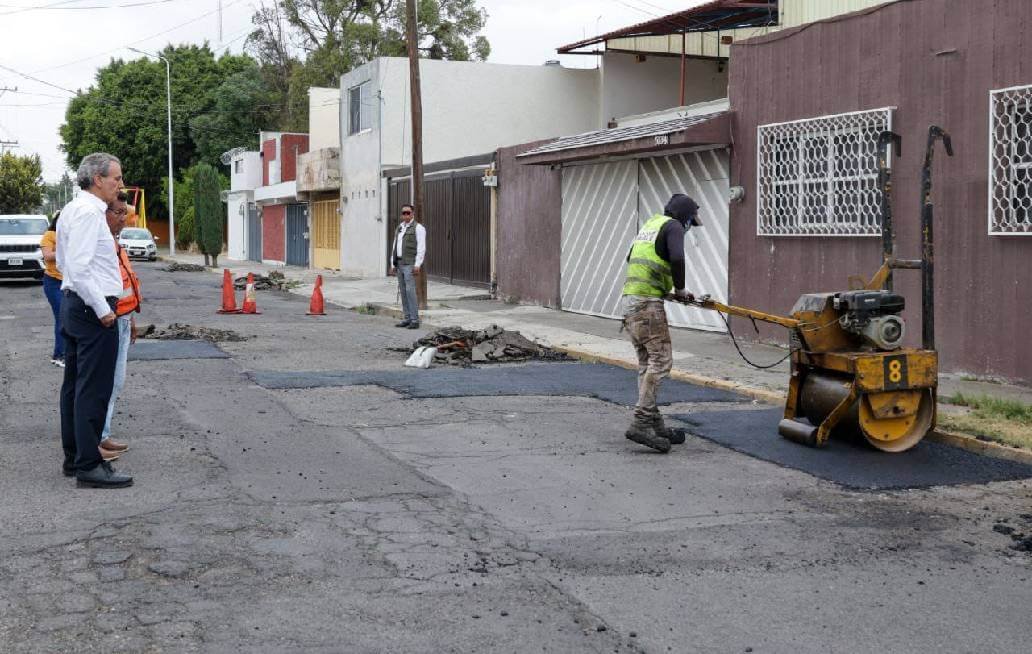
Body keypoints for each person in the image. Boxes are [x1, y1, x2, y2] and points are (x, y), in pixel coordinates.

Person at [57, 152, 133, 488]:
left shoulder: (72, 210)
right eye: (115, 178)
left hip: (75, 303)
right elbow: (79, 266)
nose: (120, 184)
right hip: (93, 309)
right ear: (97, 178)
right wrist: (104, 310)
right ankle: (90, 465)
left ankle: (75, 458)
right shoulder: (89, 213)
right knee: (94, 389)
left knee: (74, 386)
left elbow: (63, 262)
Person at [621, 193, 703, 454]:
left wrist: (666, 291)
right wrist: (679, 289)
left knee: (647, 362)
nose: (690, 228)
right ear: (684, 216)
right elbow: (677, 258)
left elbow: (632, 262)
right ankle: (642, 421)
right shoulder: (674, 226)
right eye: (691, 222)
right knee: (661, 361)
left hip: (631, 302)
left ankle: (654, 422)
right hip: (647, 306)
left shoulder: (650, 226)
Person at [99, 192, 141, 459]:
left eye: (125, 213)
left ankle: (102, 434)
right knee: (106, 382)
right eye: (118, 213)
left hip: (123, 318)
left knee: (115, 382)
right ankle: (97, 438)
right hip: (109, 321)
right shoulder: (101, 243)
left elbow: (123, 284)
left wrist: (131, 316)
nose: (123, 219)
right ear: (103, 214)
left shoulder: (114, 242)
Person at [388, 203, 426, 330]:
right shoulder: (399, 228)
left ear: (413, 213)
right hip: (399, 263)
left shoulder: (418, 228)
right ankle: (407, 318)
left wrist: (417, 264)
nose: (405, 215)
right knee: (403, 292)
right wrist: (392, 263)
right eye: (403, 213)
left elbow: (421, 247)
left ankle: (415, 320)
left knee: (410, 292)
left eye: (408, 213)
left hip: (410, 264)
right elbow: (395, 245)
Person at [39, 211, 65, 368]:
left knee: (67, 318)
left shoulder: (70, 236)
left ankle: (60, 354)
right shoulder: (50, 235)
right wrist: (67, 251)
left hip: (68, 282)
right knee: (62, 318)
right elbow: (47, 256)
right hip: (53, 282)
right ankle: (60, 355)